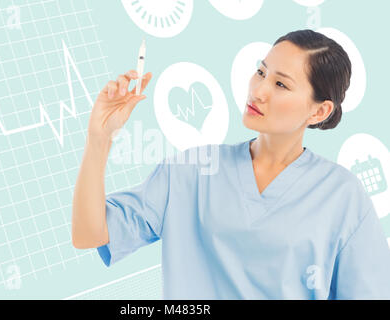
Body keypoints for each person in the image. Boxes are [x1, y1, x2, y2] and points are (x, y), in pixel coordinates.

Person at [72, 29, 390, 299]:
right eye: (261, 72)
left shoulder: (342, 195)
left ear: (319, 112)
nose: (259, 90)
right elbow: (90, 235)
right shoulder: (190, 171)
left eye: (281, 85)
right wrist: (99, 139)